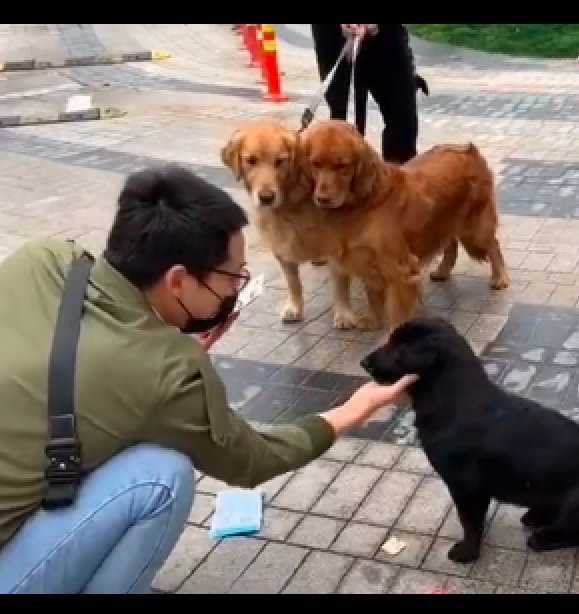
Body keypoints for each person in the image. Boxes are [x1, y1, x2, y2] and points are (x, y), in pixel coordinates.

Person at [0, 165, 416, 594]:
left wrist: (161, 349)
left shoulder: (44, 258)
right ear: (178, 280)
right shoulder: (167, 372)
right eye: (233, 277)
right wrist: (355, 409)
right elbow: (252, 459)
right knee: (162, 476)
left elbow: (95, 369)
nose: (236, 289)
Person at [310, 23, 422, 164]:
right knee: (345, 128)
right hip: (335, 37)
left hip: (388, 36)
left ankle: (397, 178)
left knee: (403, 119)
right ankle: (343, 181)